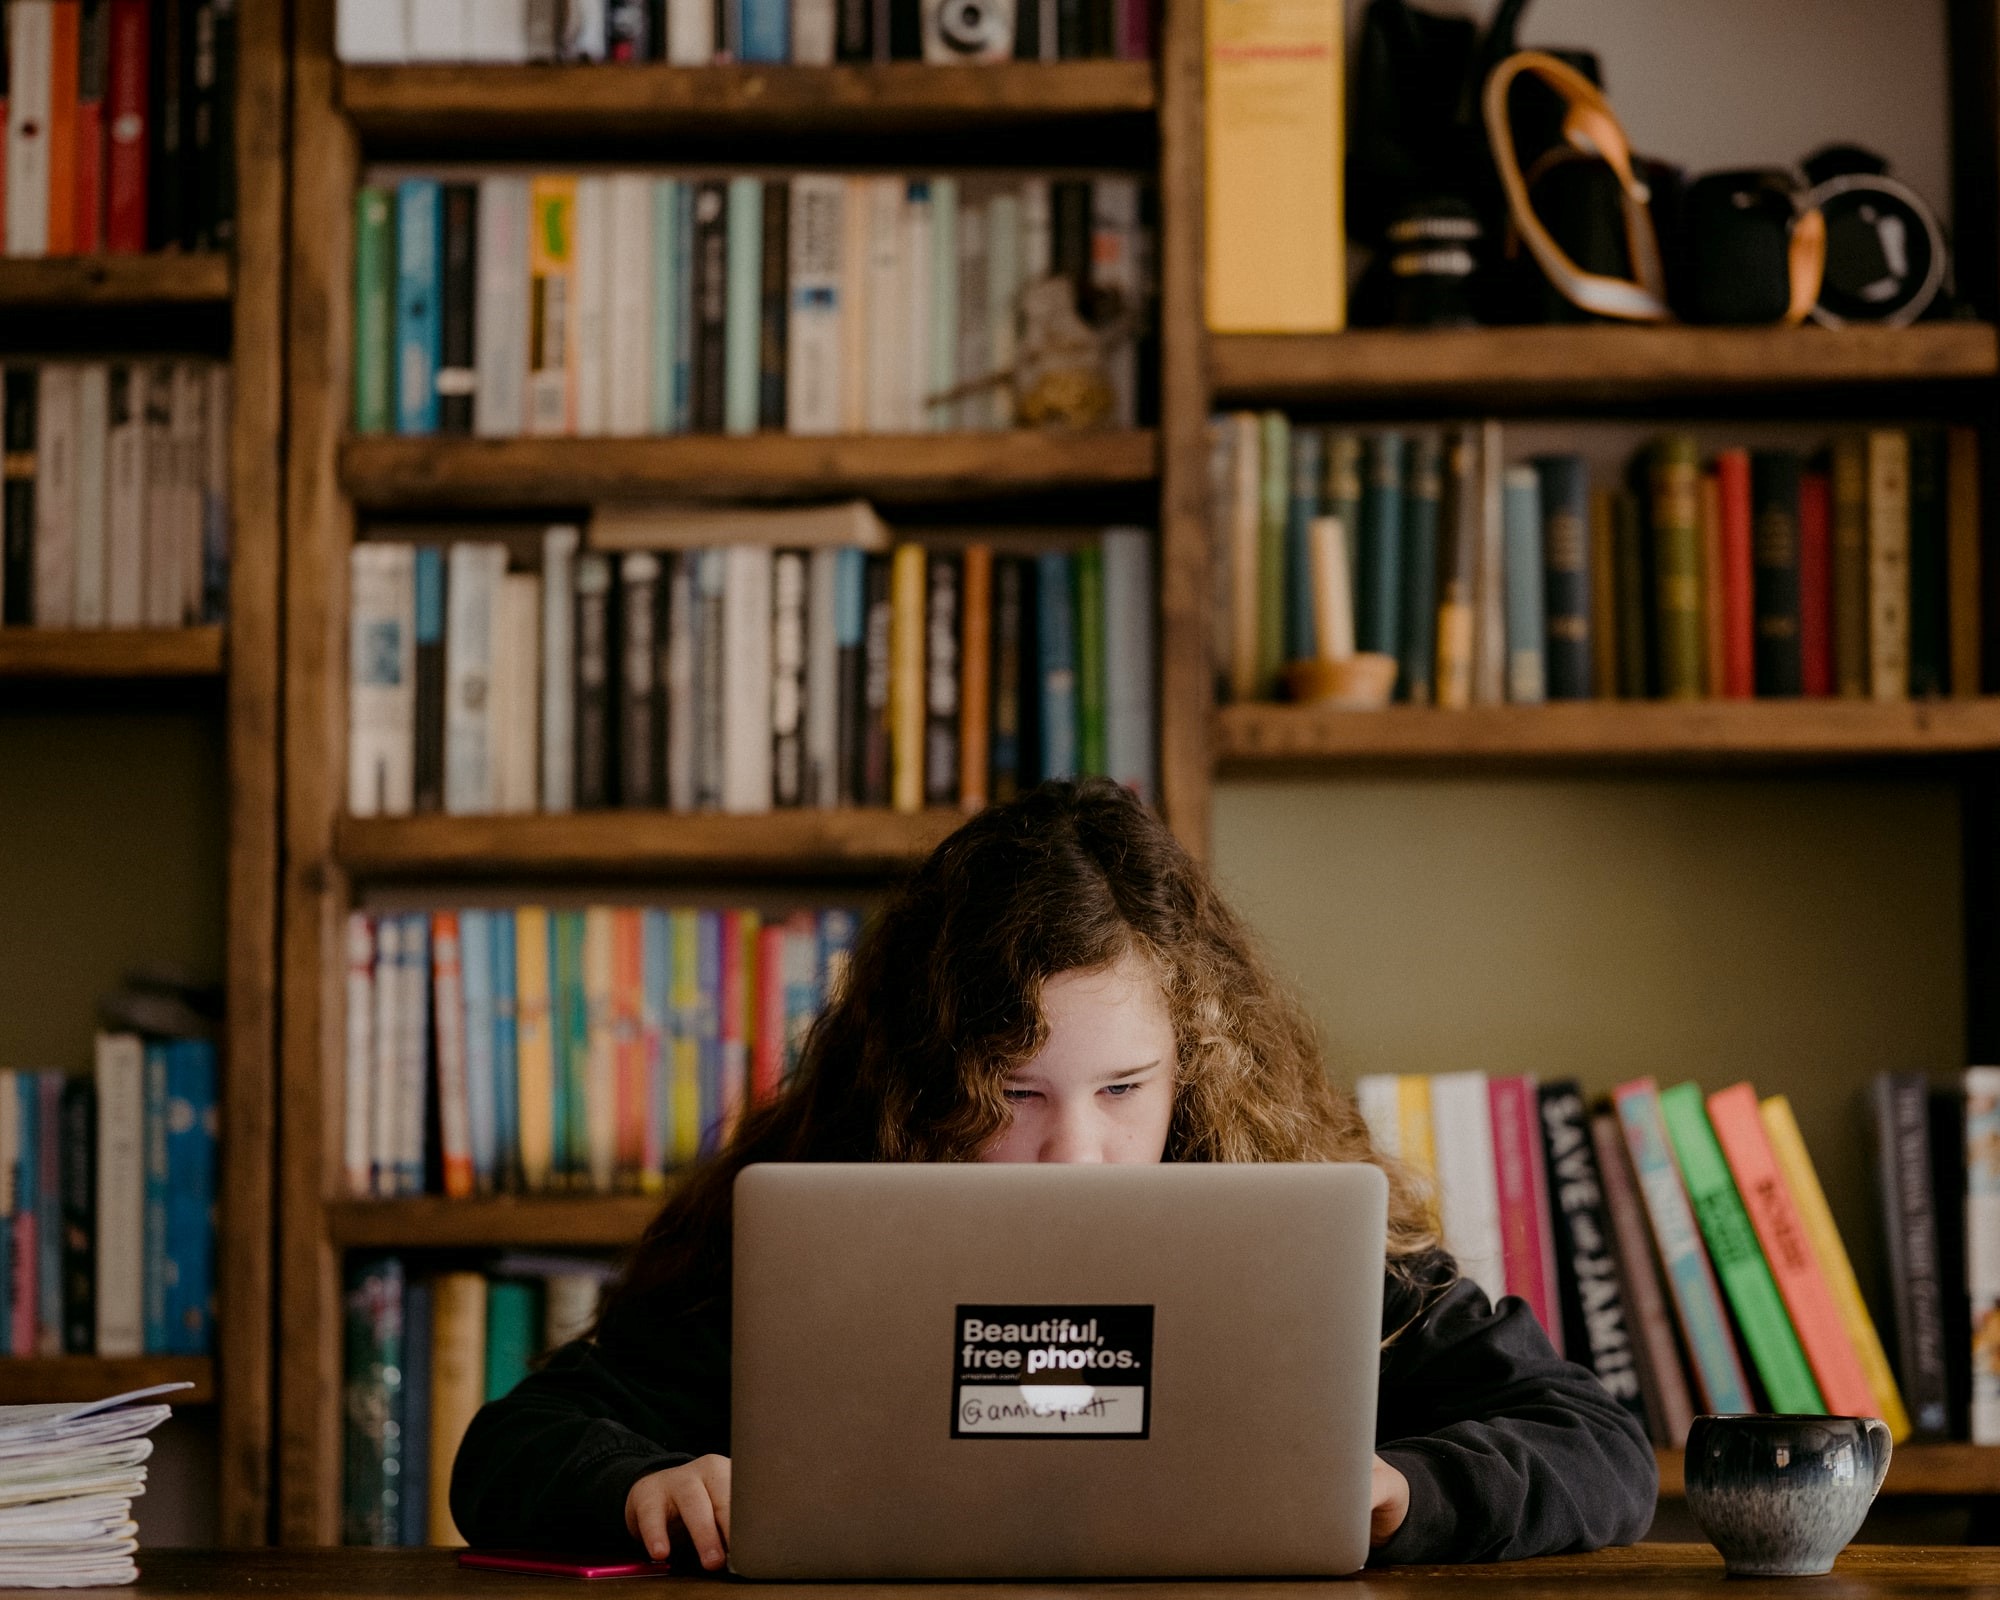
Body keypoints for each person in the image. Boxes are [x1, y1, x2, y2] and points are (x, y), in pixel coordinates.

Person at [450, 780, 1657, 1567]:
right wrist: (642, 1484)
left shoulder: (1274, 1212)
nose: (1073, 1150)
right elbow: (512, 1445)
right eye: (1012, 1095)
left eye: (1123, 1090)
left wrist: (1404, 1490)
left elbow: (1591, 1439)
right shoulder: (827, 1216)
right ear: (927, 1079)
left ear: (1195, 1067)